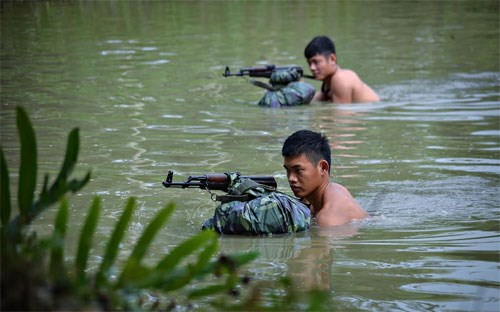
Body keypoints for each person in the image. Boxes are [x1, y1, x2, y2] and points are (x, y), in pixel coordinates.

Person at [282, 130, 367, 226]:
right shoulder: (316, 196)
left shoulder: (328, 219)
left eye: (298, 170)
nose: (291, 178)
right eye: (288, 170)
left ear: (323, 168)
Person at [304, 35, 380, 103]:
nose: (312, 68)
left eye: (316, 62)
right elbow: (313, 101)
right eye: (309, 63)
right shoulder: (327, 83)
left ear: (332, 59)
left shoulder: (340, 79)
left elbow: (341, 117)